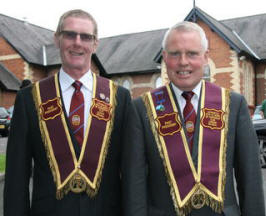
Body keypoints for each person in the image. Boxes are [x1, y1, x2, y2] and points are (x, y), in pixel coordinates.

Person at [122, 21, 265, 216]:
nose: (183, 62)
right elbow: (134, 182)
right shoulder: (141, 109)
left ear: (206, 57)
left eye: (192, 53)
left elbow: (250, 179)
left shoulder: (234, 104)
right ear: (164, 58)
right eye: (174, 54)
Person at [4, 9, 131, 216]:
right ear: (57, 39)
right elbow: (16, 177)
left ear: (95, 43)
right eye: (70, 34)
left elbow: (130, 172)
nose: (78, 43)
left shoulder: (120, 98)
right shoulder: (29, 99)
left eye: (86, 37)